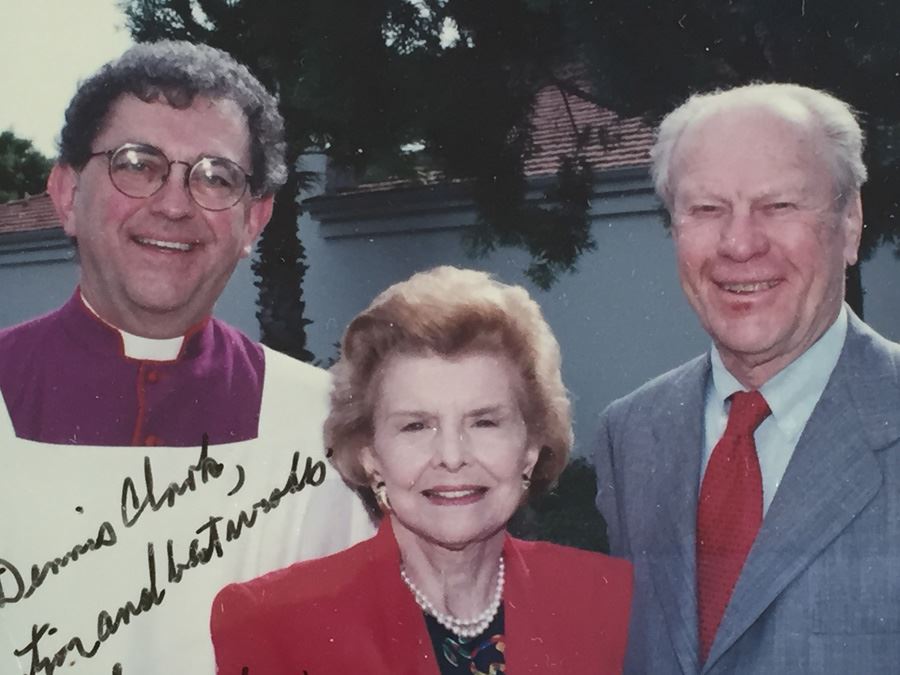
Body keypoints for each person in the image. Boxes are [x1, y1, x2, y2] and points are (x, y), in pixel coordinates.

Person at [0, 42, 371, 675]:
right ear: (66, 195)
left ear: (254, 220)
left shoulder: (326, 429)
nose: (174, 204)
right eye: (137, 164)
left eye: (215, 177)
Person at [594, 82, 900, 674]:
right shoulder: (629, 434)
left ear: (851, 221)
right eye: (707, 210)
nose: (739, 244)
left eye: (779, 205)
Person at [212, 266, 633, 674]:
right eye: (416, 425)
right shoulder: (274, 622)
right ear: (369, 455)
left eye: (484, 422)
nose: (451, 456)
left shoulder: (608, 601)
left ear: (531, 448)